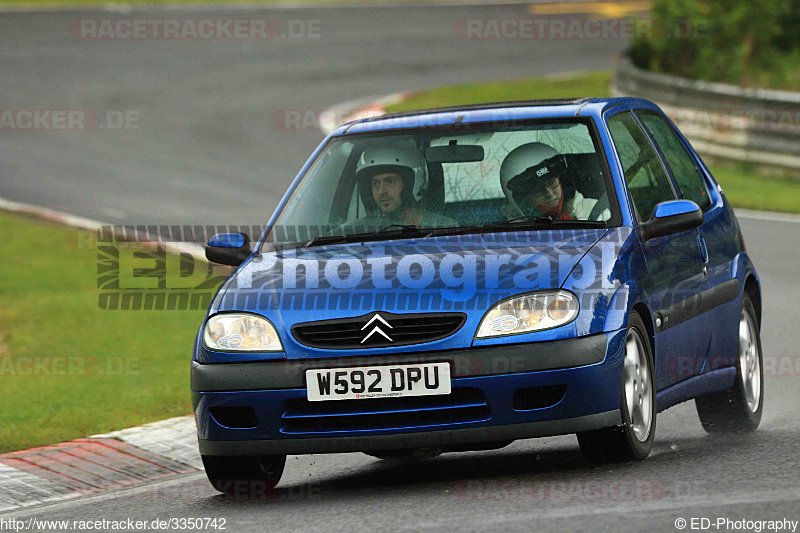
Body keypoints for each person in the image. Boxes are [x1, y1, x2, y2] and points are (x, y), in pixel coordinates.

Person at [347, 143, 456, 229]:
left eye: (390, 181)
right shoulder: (361, 230)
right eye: (375, 183)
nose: (381, 191)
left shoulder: (444, 228)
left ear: (410, 184)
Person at [499, 142, 610, 221]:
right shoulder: (515, 232)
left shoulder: (593, 211)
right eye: (538, 190)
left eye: (552, 182)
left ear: (562, 181)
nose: (550, 193)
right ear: (525, 198)